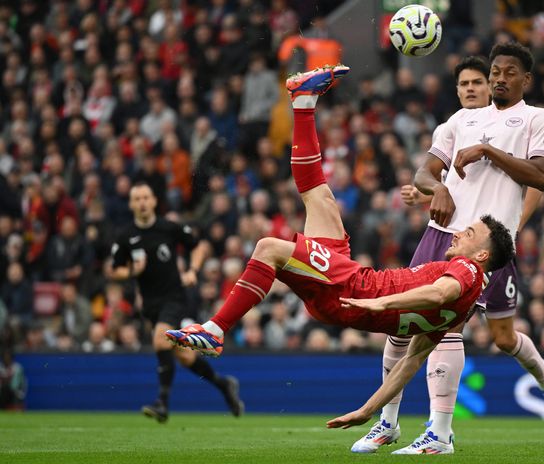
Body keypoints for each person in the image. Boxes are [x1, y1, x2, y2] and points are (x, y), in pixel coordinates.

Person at [165, 65, 516, 442]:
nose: (461, 231)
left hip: (351, 289)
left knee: (268, 247)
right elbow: (409, 365)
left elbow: (438, 292)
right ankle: (303, 102)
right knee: (320, 198)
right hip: (350, 289)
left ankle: (216, 330)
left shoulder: (464, 272)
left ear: (481, 256)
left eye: (471, 232)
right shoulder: (457, 313)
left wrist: (384, 305)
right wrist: (367, 410)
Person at [353, 42, 544, 455]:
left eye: (508, 73)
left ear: (526, 80)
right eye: (495, 72)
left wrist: (489, 151)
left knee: (499, 338)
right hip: (441, 234)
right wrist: (437, 190)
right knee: (403, 324)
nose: (499, 78)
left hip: (487, 243)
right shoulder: (460, 120)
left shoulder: (537, 118)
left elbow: (541, 177)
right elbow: (423, 171)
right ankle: (390, 423)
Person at [110, 182, 243, 423]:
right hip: (150, 304)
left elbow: (198, 247)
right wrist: (131, 270)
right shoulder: (126, 236)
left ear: (153, 202)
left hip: (174, 297)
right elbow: (114, 270)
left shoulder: (168, 228)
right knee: (184, 357)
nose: (141, 202)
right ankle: (224, 385)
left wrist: (193, 269)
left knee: (160, 337)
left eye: (145, 197)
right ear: (131, 204)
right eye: (136, 198)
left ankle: (162, 402)